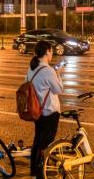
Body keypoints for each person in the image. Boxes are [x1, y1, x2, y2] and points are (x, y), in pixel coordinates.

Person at [27, 40, 64, 179]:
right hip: (50, 112)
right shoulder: (48, 70)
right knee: (46, 146)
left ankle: (34, 172)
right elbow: (58, 89)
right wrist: (58, 73)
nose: (52, 54)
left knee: (37, 142)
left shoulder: (31, 68)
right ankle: (41, 174)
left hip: (37, 112)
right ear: (47, 52)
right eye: (51, 52)